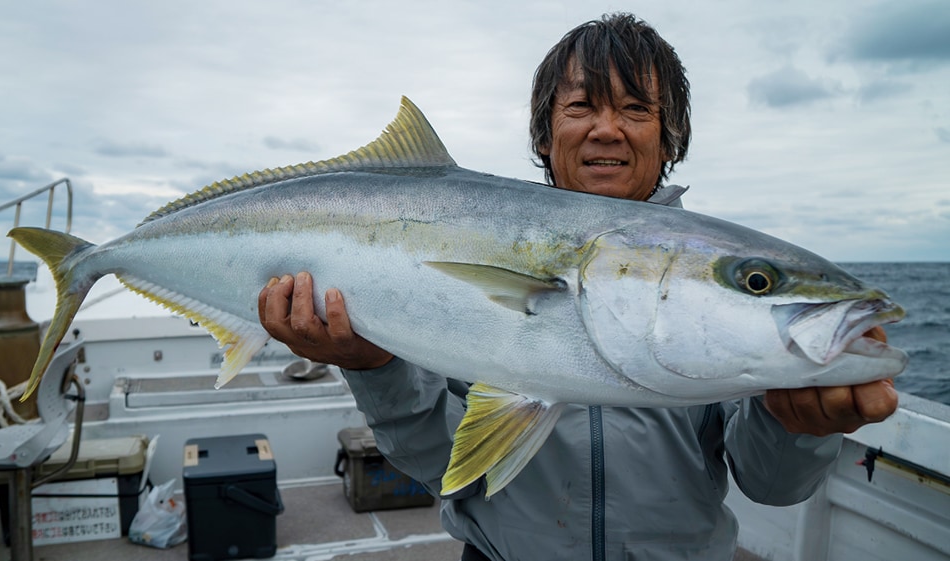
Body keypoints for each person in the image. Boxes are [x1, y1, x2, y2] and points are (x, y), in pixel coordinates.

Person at [258, 13, 899, 560]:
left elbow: (772, 486)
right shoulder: (469, 238)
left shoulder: (717, 318)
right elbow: (441, 468)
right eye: (581, 105)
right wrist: (372, 366)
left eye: (636, 109)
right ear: (545, 133)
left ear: (669, 138)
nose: (607, 128)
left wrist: (800, 424)